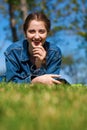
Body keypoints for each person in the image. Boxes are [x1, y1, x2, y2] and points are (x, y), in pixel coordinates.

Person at [4, 11, 63, 85]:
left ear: (47, 33)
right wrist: (33, 81)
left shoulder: (54, 52)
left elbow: (51, 82)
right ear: (25, 33)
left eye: (41, 31)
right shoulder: (13, 51)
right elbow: (11, 83)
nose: (37, 37)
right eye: (32, 31)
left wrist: (39, 65)